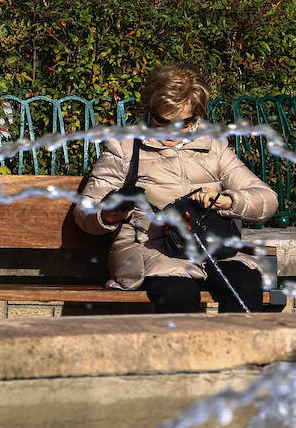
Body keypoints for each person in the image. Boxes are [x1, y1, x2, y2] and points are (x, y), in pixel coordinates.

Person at [72, 64, 277, 313]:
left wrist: (228, 201)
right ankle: (183, 352)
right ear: (151, 110)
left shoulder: (213, 145)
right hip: (149, 248)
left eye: (184, 122)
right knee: (178, 291)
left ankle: (236, 351)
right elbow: (85, 212)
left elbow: (266, 198)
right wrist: (109, 214)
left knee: (244, 282)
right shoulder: (124, 147)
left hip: (208, 243)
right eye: (163, 120)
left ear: (196, 116)